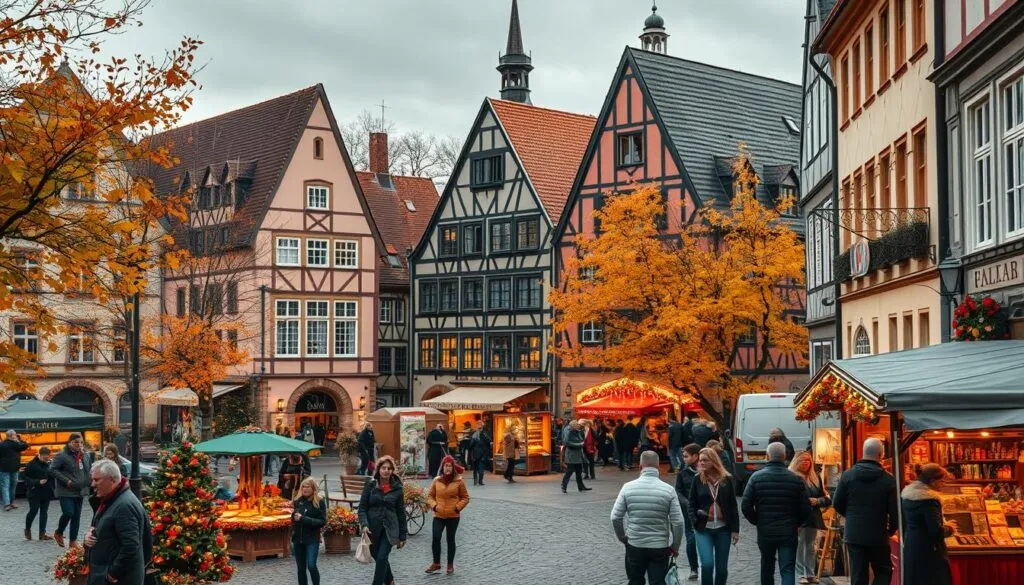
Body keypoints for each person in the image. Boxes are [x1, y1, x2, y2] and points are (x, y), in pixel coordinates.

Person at [741, 442, 812, 585]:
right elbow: (805, 508)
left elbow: (746, 506)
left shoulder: (756, 478)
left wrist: (757, 520)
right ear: (785, 456)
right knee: (787, 568)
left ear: (767, 456)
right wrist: (796, 523)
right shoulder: (796, 479)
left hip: (766, 530)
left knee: (767, 567)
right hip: (788, 531)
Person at [611, 450, 685, 585]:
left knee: (635, 580)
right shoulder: (668, 490)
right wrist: (675, 546)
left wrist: (623, 538)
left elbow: (615, 517)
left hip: (635, 544)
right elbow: (678, 522)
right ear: (658, 468)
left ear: (640, 467)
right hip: (659, 545)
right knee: (657, 582)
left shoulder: (627, 488)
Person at [832, 438, 898, 585]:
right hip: (878, 533)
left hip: (854, 533)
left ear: (863, 452)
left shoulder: (848, 475)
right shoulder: (888, 479)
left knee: (858, 574)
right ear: (880, 454)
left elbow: (836, 503)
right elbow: (894, 510)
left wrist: (851, 516)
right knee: (883, 570)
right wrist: (891, 530)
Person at [84, 458, 152, 585]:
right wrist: (89, 534)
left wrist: (113, 573)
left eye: (96, 480)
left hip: (119, 579)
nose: (93, 484)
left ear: (112, 479)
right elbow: (103, 527)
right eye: (92, 479)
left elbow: (131, 546)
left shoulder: (124, 505)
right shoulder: (110, 499)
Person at [688, 447, 740, 585]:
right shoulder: (697, 479)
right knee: (707, 564)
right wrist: (695, 521)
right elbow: (691, 504)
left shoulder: (726, 479)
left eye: (705, 460)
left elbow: (733, 505)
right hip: (703, 529)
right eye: (700, 461)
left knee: (722, 569)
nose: (702, 463)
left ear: (713, 460)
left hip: (723, 529)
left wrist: (735, 530)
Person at [901, 463, 955, 585]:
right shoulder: (929, 500)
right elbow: (935, 531)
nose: (944, 484)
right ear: (932, 481)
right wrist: (950, 529)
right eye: (942, 481)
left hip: (912, 544)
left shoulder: (907, 495)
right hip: (929, 550)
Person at [358, 455, 407, 585]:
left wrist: (403, 536)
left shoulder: (397, 488)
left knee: (382, 557)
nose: (386, 470)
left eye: (389, 468)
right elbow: (362, 508)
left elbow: (401, 513)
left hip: (390, 528)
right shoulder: (370, 485)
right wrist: (364, 524)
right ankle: (390, 580)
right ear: (379, 469)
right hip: (372, 528)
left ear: (392, 471)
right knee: (378, 557)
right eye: (383, 468)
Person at [790, 450, 832, 584]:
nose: (806, 463)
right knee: (799, 546)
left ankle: (809, 573)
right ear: (797, 462)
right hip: (799, 518)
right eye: (803, 460)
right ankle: (799, 574)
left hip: (813, 518)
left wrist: (818, 501)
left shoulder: (815, 478)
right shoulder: (792, 477)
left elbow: (826, 498)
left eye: (808, 460)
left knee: (811, 547)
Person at [425, 455, 470, 575]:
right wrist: (434, 506)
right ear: (442, 467)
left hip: (453, 516)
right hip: (438, 514)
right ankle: (436, 563)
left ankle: (450, 564)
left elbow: (465, 498)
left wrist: (457, 508)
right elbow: (430, 496)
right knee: (436, 538)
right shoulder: (436, 480)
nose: (448, 468)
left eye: (450, 466)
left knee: (450, 539)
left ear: (453, 468)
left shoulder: (459, 481)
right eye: (446, 466)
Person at [50, 433, 92, 548]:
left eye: (81, 442)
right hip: (66, 490)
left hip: (80, 489)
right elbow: (53, 470)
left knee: (76, 516)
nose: (79, 444)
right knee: (69, 512)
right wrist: (66, 481)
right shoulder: (62, 455)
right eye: (76, 442)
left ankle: (73, 541)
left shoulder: (85, 455)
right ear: (70, 443)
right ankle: (59, 532)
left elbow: (88, 470)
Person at [673, 443, 702, 581]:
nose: (683, 458)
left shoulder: (705, 471)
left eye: (686, 456)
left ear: (695, 456)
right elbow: (677, 491)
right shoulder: (682, 473)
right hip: (688, 512)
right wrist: (686, 502)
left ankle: (708, 565)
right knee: (691, 540)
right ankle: (694, 568)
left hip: (704, 512)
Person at [291, 477, 327, 585]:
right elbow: (294, 518)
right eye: (303, 487)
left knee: (311, 565)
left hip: (312, 539)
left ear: (313, 488)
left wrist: (303, 519)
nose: (305, 489)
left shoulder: (319, 502)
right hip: (298, 539)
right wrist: (293, 516)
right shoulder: (298, 501)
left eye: (308, 487)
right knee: (301, 568)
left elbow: (322, 521)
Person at [24, 446, 54, 540]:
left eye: (48, 457)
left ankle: (42, 533)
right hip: (34, 492)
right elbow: (26, 479)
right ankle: (27, 529)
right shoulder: (31, 464)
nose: (46, 459)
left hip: (46, 492)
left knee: (44, 512)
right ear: (39, 455)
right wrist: (38, 482)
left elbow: (52, 476)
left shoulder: (49, 464)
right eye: (45, 458)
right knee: (34, 510)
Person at [0, 429, 28, 511]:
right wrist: (19, 440)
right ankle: (11, 503)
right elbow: (26, 445)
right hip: (15, 468)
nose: (16, 436)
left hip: (3, 468)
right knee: (13, 486)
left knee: (5, 486)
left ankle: (7, 504)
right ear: (12, 436)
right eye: (15, 435)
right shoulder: (16, 444)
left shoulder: (2, 444)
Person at [561, 420, 591, 493]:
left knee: (579, 471)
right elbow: (567, 442)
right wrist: (579, 445)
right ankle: (563, 486)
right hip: (571, 455)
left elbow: (582, 439)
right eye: (577, 427)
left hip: (578, 454)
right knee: (569, 471)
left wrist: (582, 431)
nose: (578, 428)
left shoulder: (577, 429)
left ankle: (581, 486)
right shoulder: (568, 431)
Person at [468, 420, 491, 486]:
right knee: (476, 467)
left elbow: (489, 440)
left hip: (481, 453)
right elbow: (471, 445)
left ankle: (479, 480)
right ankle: (477, 480)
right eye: (479, 424)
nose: (479, 426)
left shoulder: (483, 433)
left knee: (479, 467)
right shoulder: (475, 434)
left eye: (480, 424)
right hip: (477, 453)